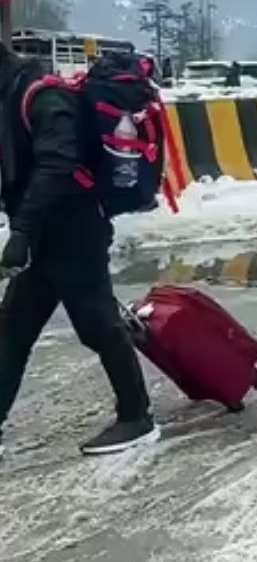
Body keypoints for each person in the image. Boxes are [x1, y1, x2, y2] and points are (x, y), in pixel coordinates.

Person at [0, 44, 157, 459]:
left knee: (98, 324)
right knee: (12, 330)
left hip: (74, 231)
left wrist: (20, 231)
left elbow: (57, 165)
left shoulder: (42, 96)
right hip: (43, 236)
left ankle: (137, 417)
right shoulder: (10, 94)